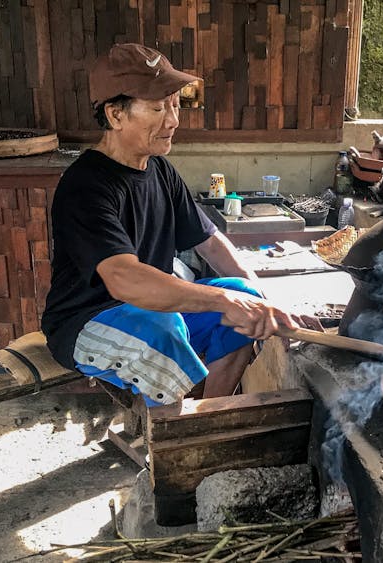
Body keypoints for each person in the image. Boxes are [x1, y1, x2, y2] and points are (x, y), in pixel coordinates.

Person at [41, 43, 298, 408]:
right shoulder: (86, 185)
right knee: (163, 331)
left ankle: (208, 417)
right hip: (86, 321)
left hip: (151, 311)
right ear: (115, 116)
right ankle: (172, 447)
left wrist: (262, 303)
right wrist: (223, 299)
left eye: (176, 105)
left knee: (245, 296)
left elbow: (209, 241)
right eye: (159, 108)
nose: (174, 120)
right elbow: (124, 279)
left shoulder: (159, 169)